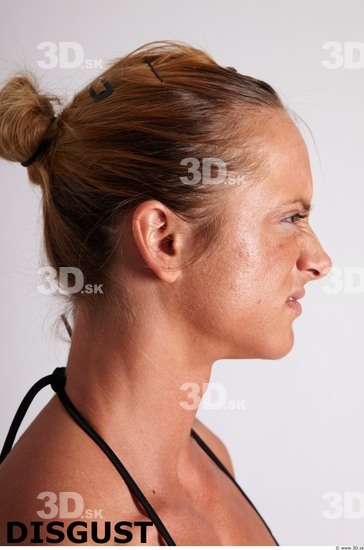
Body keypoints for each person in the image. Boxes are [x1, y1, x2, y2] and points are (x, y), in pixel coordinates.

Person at [0, 40, 332, 545]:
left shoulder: (210, 455)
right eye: (290, 218)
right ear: (164, 240)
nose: (320, 261)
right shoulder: (64, 529)